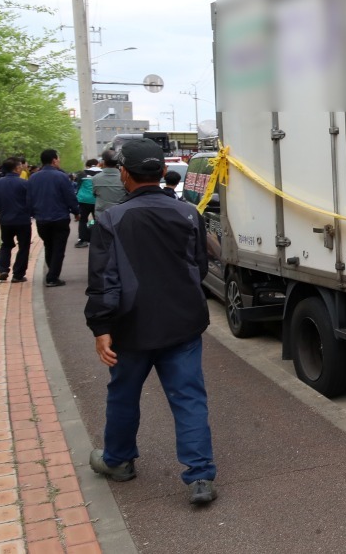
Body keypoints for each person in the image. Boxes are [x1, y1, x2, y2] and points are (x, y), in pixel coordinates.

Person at [84, 139, 217, 505]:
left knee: (124, 394)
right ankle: (200, 477)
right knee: (189, 398)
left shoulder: (111, 218)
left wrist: (101, 328)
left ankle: (118, 461)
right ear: (161, 173)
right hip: (183, 323)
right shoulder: (189, 213)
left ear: (124, 173)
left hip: (130, 327)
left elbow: (104, 280)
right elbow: (199, 267)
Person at [26, 149, 80, 287]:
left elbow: (29, 198)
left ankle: (52, 272)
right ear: (54, 160)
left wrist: (32, 213)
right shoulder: (61, 177)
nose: (59, 161)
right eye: (59, 158)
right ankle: (52, 277)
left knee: (49, 245)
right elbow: (70, 196)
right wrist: (76, 212)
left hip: (42, 219)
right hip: (59, 217)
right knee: (58, 248)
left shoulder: (33, 177)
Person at [0, 159, 32, 283]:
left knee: (6, 245)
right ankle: (18, 274)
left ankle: (3, 269)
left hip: (6, 220)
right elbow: (31, 202)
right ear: (16, 169)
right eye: (20, 166)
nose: (22, 168)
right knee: (24, 247)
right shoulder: (24, 184)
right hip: (23, 221)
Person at [92, 149, 129, 216]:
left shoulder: (96, 178)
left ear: (103, 162)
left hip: (102, 216)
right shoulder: (125, 178)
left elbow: (94, 194)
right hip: (120, 215)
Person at [75, 159, 101, 248]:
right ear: (97, 164)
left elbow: (78, 186)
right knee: (97, 219)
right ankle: (97, 238)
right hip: (97, 199)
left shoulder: (82, 173)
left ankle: (83, 240)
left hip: (84, 200)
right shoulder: (101, 173)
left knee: (83, 220)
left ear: (87, 165)